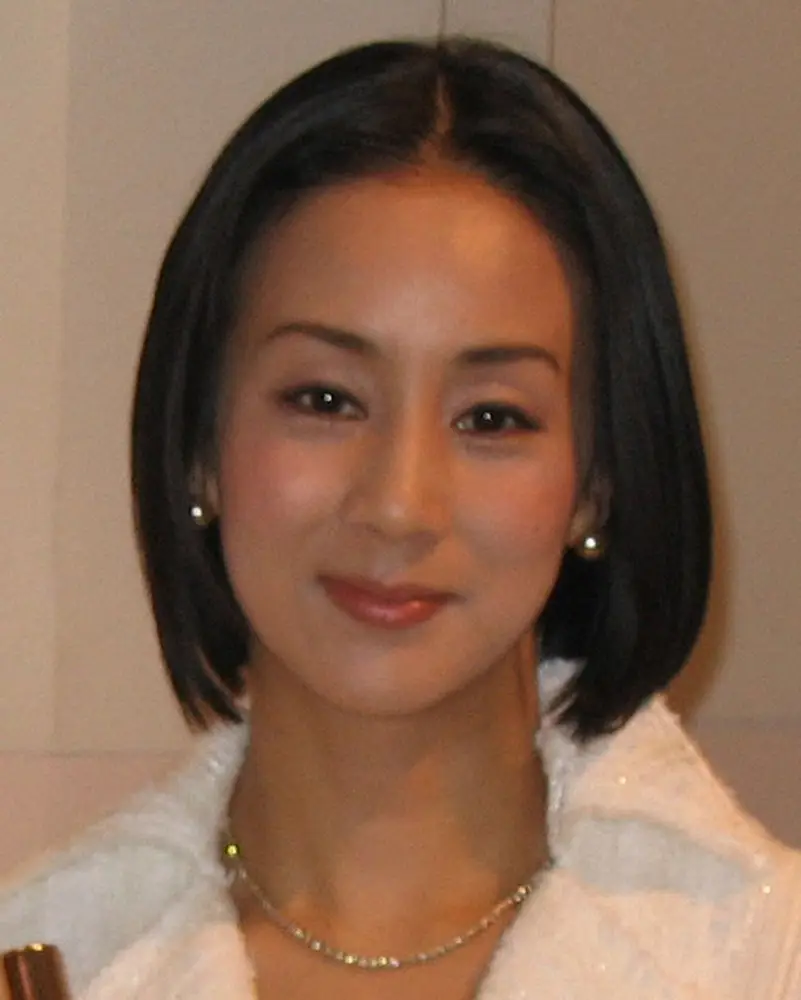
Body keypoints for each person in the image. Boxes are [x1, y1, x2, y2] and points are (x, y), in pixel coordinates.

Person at [1, 35, 799, 1000]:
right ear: (200, 440)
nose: (397, 504)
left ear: (597, 479)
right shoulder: (52, 953)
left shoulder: (762, 956)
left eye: (491, 418)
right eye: (325, 400)